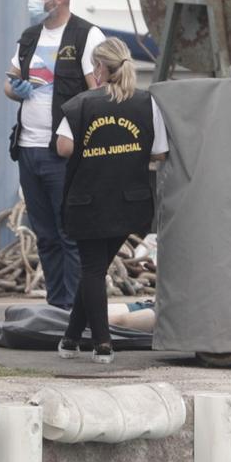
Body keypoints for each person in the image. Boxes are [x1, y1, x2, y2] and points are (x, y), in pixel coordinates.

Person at [54, 39, 167, 363]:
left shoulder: (82, 104)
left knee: (91, 270)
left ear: (100, 68)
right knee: (95, 268)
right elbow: (159, 152)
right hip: (129, 202)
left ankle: (102, 343)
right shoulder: (148, 103)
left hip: (88, 200)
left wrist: (96, 149)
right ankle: (71, 338)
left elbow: (63, 146)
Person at [5, 0, 103, 312]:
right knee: (45, 236)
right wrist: (16, 90)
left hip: (64, 153)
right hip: (28, 150)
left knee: (69, 234)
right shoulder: (30, 37)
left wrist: (81, 139)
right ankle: (56, 305)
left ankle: (77, 312)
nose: (32, 0)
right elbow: (9, 82)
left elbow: (98, 93)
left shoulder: (86, 35)